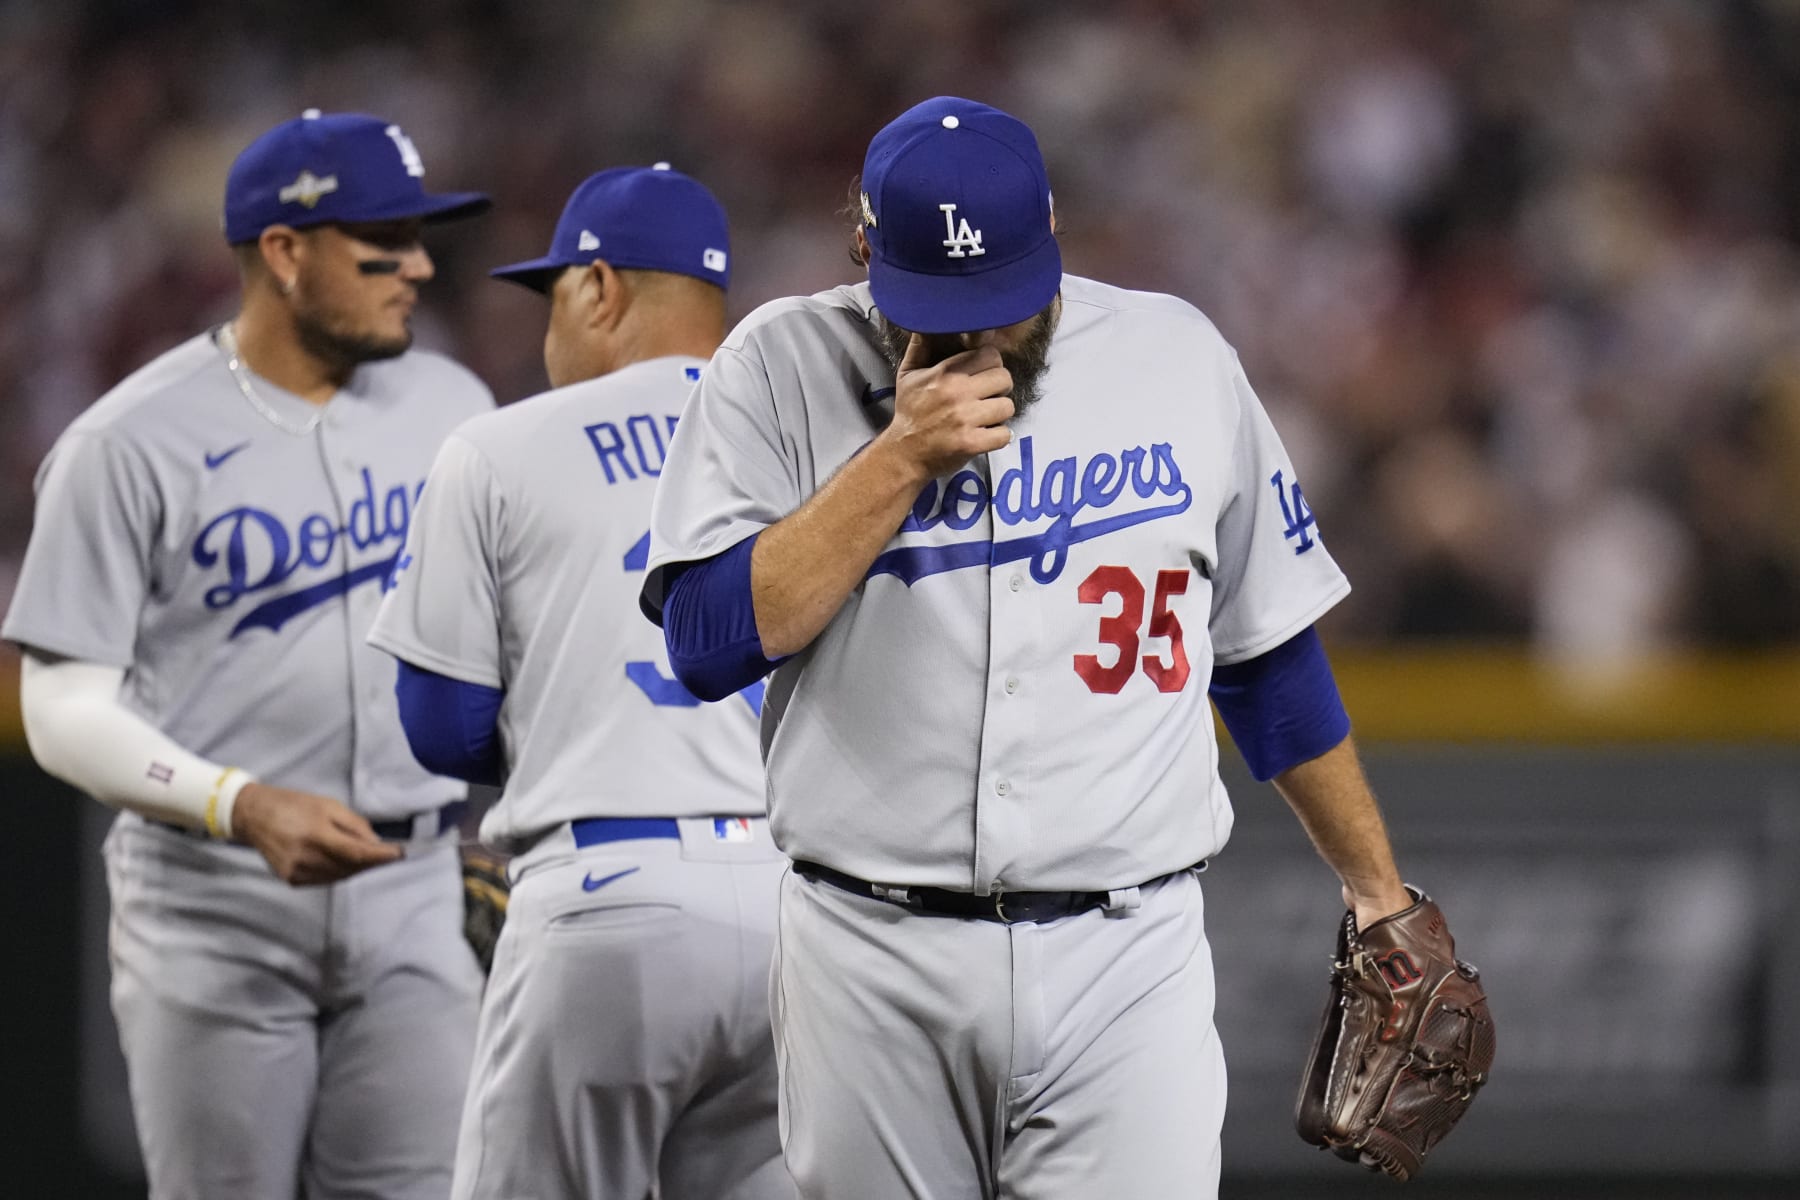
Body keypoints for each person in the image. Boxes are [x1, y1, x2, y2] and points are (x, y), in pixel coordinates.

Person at [639, 96, 1424, 1198]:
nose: (982, 331)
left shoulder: (1176, 360)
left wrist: (1376, 889)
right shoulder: (776, 366)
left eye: (1004, 294)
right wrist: (897, 460)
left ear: (1053, 225)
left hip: (1126, 952)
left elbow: (1263, 658)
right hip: (870, 954)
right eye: (941, 303)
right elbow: (705, 643)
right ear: (864, 246)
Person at [4, 110, 494, 1199]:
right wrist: (236, 801)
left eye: (418, 237)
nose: (417, 266)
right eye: (384, 243)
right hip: (211, 900)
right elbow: (60, 707)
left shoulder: (453, 403)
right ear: (285, 253)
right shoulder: (126, 443)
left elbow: (505, 638)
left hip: (415, 884)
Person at [367, 165, 795, 1200]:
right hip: (802, 912)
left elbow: (441, 727)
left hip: (608, 898)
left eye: (552, 292)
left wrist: (569, 723)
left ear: (598, 289)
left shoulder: (503, 445)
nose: (549, 324)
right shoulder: (822, 449)